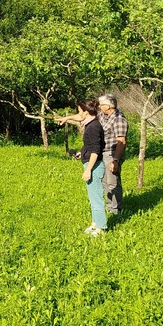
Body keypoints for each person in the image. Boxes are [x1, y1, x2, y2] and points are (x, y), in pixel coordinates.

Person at [57, 93, 128, 214]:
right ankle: (110, 207)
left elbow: (121, 142)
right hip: (101, 152)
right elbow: (83, 115)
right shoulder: (102, 115)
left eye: (101, 105)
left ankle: (116, 211)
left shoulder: (119, 119)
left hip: (111, 153)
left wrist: (115, 160)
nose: (99, 107)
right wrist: (67, 118)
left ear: (109, 106)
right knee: (105, 182)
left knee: (112, 183)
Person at [76, 99, 107, 236]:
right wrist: (81, 153)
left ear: (86, 112)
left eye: (80, 111)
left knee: (96, 198)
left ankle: (101, 228)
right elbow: (90, 146)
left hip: (94, 166)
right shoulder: (91, 125)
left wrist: (88, 170)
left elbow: (96, 150)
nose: (79, 114)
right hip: (90, 163)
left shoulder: (94, 127)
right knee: (92, 197)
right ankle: (95, 224)